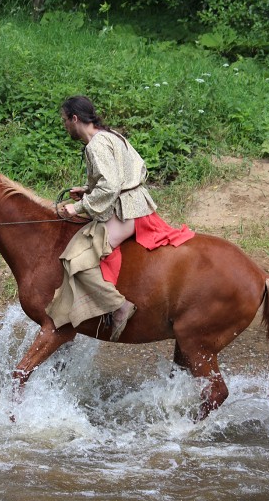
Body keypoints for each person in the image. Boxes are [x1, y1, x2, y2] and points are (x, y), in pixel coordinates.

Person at [46, 95, 194, 340]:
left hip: (127, 212)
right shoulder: (111, 135)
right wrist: (87, 190)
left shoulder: (96, 144)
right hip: (136, 205)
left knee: (75, 259)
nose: (65, 126)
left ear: (75, 118)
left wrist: (78, 207)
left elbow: (111, 186)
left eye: (65, 121)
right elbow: (122, 175)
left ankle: (119, 306)